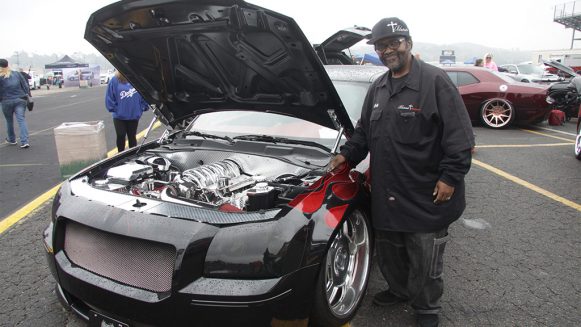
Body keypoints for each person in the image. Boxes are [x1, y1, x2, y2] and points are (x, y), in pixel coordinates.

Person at [327, 17, 474, 327]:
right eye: (381, 46)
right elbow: (364, 134)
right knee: (392, 252)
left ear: (408, 43)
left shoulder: (435, 83)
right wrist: (345, 157)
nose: (387, 50)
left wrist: (450, 177)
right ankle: (399, 290)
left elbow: (460, 138)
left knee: (425, 258)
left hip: (426, 193)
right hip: (387, 192)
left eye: (393, 43)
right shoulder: (378, 87)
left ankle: (427, 309)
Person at [105, 71, 149, 152]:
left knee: (132, 137)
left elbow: (144, 94)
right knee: (120, 135)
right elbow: (110, 96)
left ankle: (132, 155)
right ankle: (120, 155)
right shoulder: (114, 80)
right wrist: (115, 109)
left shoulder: (137, 79)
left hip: (133, 114)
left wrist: (142, 107)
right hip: (119, 116)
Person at [0, 59, 31, 148]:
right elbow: (25, 85)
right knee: (21, 119)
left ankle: (12, 139)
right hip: (20, 99)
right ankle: (25, 141)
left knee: (9, 121)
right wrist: (26, 94)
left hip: (6, 101)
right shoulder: (16, 74)